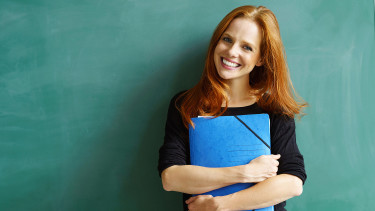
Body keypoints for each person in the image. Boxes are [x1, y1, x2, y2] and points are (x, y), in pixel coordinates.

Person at [158, 5, 307, 211]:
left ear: (261, 58)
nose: (231, 51)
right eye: (227, 39)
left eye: (247, 47)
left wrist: (220, 205)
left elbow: (292, 182)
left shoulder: (275, 110)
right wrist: (245, 172)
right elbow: (171, 178)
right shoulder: (186, 104)